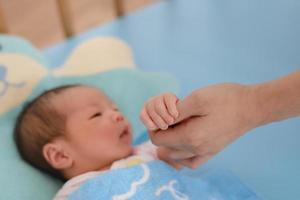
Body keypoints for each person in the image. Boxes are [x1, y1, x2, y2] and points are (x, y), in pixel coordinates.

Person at [13, 85, 181, 200]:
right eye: (96, 114)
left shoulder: (150, 151)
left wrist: (168, 113)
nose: (118, 115)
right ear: (60, 155)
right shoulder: (73, 193)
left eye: (115, 109)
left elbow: (187, 144)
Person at [140, 70, 300, 168]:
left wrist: (163, 112)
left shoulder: (143, 154)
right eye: (112, 108)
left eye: (116, 108)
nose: (116, 115)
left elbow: (171, 155)